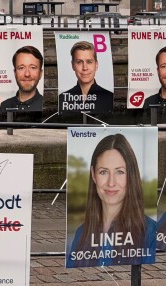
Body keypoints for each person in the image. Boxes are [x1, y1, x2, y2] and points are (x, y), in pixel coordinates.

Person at [67, 133, 155, 268]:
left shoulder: (150, 232)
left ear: (131, 175)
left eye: (120, 172)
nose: (111, 183)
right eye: (103, 172)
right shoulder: (81, 233)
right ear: (93, 175)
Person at [58, 41, 114, 113]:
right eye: (79, 62)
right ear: (72, 65)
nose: (85, 68)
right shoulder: (62, 98)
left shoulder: (109, 98)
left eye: (89, 62)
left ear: (96, 65)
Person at [1, 45, 45, 112]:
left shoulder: (47, 107)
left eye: (33, 67)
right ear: (15, 73)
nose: (27, 74)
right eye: (21, 68)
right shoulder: (5, 106)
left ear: (40, 73)